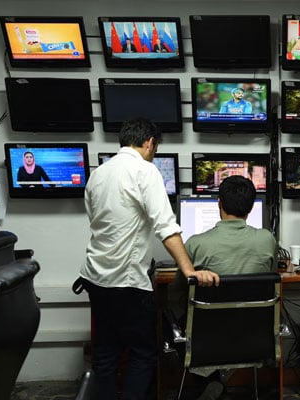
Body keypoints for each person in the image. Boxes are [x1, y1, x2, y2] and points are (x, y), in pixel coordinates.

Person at [78, 118, 218, 400]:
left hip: (95, 278)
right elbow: (165, 226)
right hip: (128, 281)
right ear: (150, 143)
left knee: (105, 355)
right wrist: (189, 270)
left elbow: (97, 222)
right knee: (143, 353)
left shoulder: (99, 173)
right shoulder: (145, 171)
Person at [168, 175, 278, 400]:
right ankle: (224, 380)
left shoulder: (196, 243)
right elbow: (270, 275)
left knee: (168, 313)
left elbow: (177, 291)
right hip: (253, 339)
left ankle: (210, 379)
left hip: (206, 341)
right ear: (250, 208)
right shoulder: (267, 240)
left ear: (218, 203)